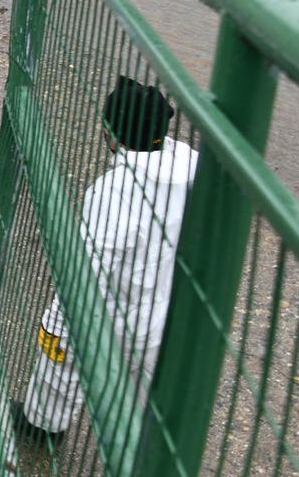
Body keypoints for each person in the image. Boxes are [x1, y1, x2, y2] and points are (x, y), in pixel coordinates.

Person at [16, 77, 199, 445]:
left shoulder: (116, 192)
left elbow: (91, 268)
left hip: (116, 310)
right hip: (166, 306)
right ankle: (147, 461)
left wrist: (57, 323)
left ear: (112, 132)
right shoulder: (192, 166)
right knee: (149, 396)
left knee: (62, 367)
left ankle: (42, 426)